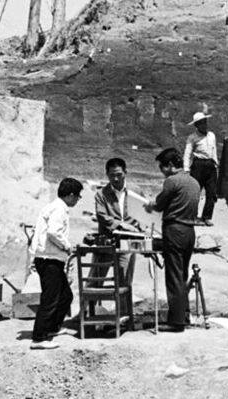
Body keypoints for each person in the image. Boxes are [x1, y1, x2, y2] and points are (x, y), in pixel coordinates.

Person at [143, 147, 201, 332]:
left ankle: (176, 322)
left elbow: (160, 205)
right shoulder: (193, 182)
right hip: (189, 231)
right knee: (182, 274)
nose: (162, 172)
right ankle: (183, 315)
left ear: (169, 165)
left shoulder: (172, 181)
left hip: (174, 230)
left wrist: (150, 205)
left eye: (162, 167)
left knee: (174, 276)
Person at [30, 177, 84, 350]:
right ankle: (39, 338)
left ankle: (52, 328)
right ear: (70, 195)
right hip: (49, 259)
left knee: (65, 296)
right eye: (77, 196)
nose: (77, 200)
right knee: (50, 299)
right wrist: (67, 246)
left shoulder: (55, 207)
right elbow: (54, 232)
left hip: (51, 258)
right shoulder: (59, 209)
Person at [92, 156, 141, 284]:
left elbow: (143, 213)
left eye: (119, 174)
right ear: (107, 174)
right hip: (107, 242)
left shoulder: (136, 191)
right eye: (111, 175)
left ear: (125, 172)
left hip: (129, 243)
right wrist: (122, 225)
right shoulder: (101, 194)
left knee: (125, 283)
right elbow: (101, 215)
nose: (115, 179)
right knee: (95, 281)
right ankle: (90, 305)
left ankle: (123, 305)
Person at [183, 112, 219, 225]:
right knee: (195, 192)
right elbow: (187, 153)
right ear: (196, 125)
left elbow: (214, 151)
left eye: (205, 122)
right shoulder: (192, 138)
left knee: (212, 193)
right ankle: (192, 216)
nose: (204, 124)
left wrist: (216, 164)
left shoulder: (212, 135)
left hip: (210, 166)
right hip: (198, 165)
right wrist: (186, 169)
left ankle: (206, 217)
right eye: (201, 123)